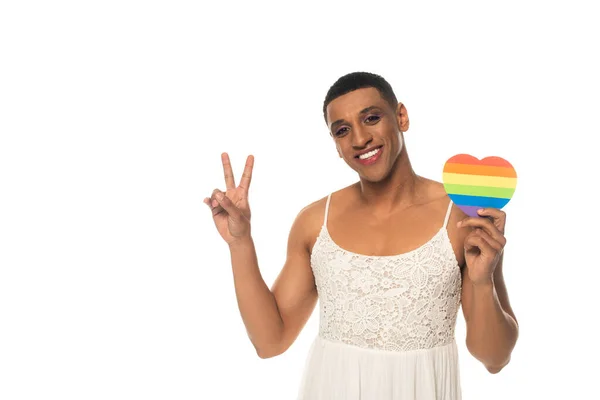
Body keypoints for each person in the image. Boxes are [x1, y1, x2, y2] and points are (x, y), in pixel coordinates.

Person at [203, 72, 519, 399]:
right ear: (336, 145)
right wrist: (240, 242)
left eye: (371, 118)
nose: (359, 139)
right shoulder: (314, 222)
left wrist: (483, 282)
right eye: (342, 130)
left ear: (401, 117)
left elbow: (495, 358)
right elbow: (270, 342)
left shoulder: (462, 218)